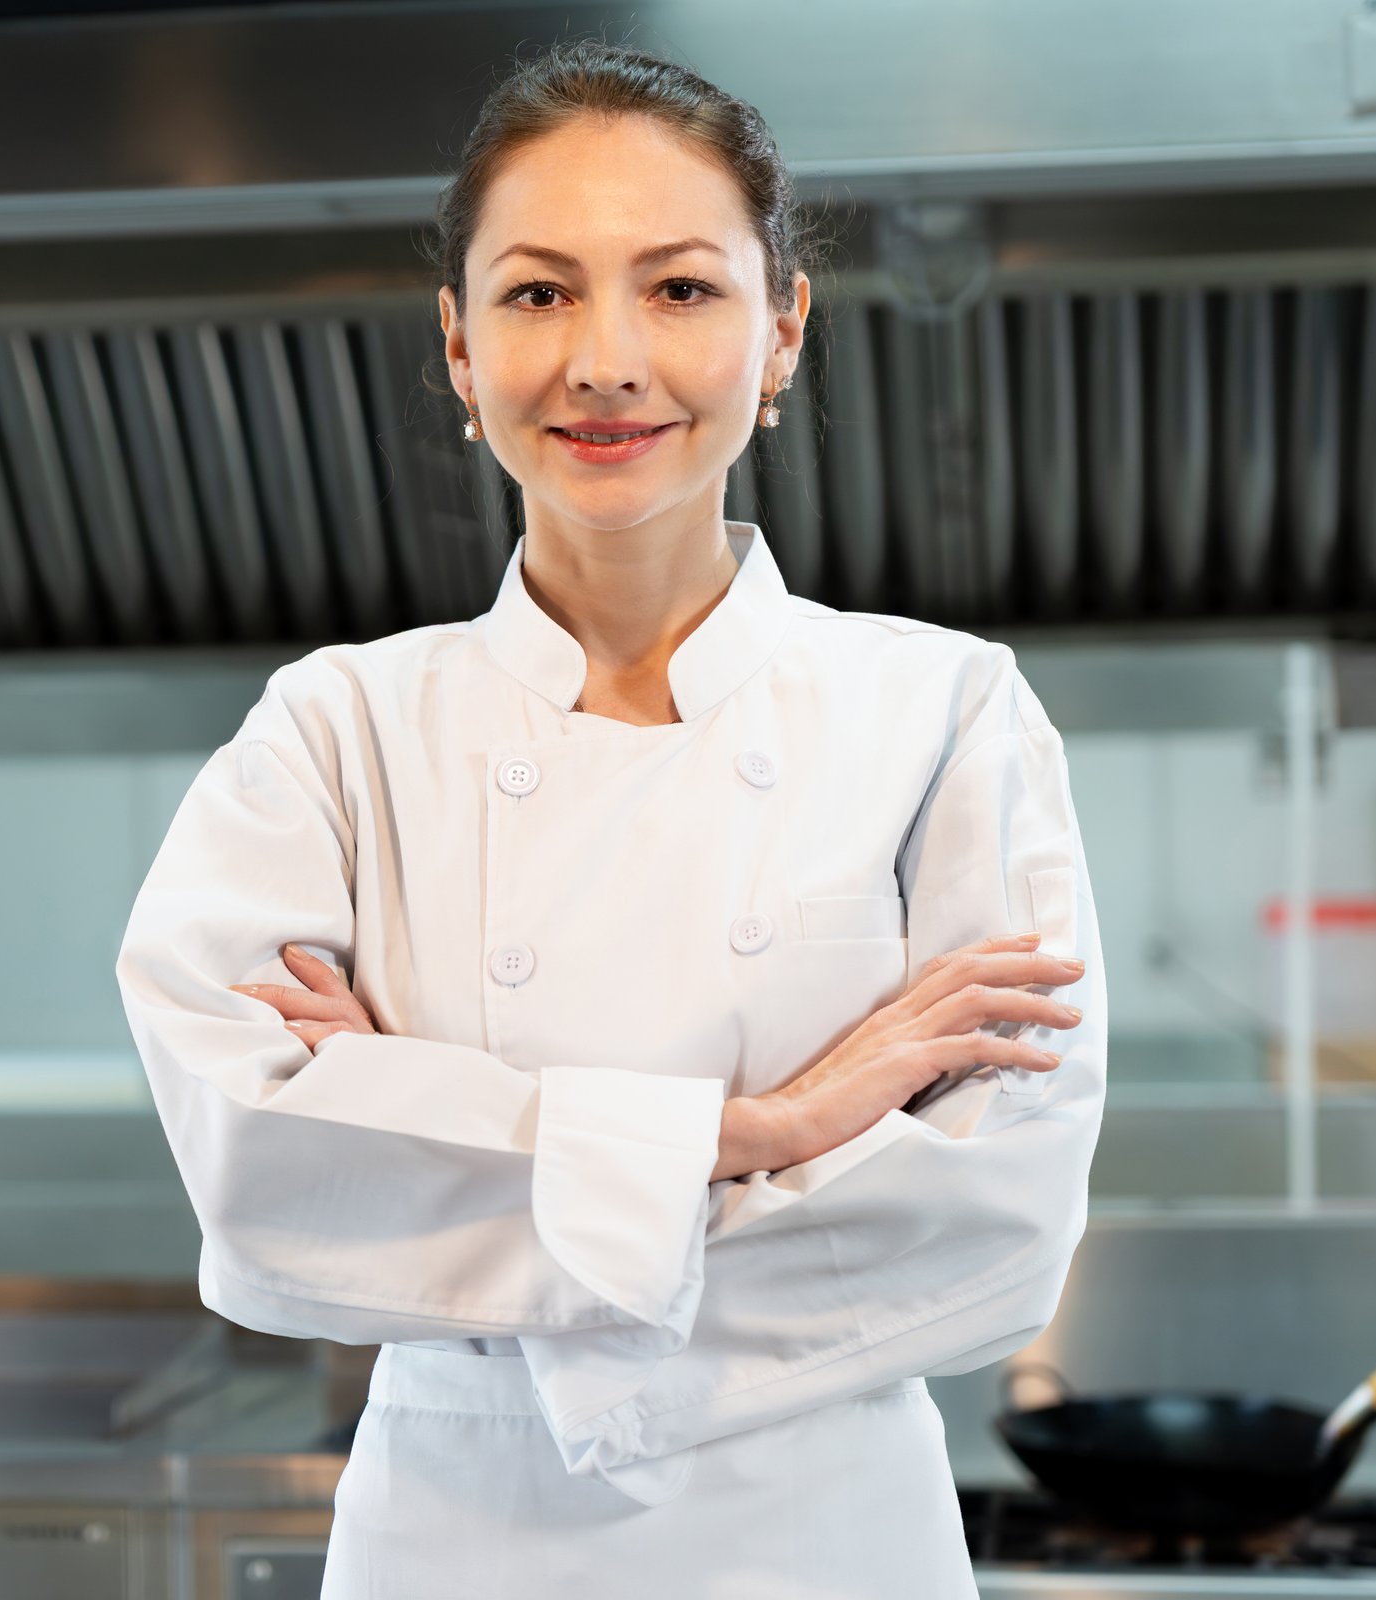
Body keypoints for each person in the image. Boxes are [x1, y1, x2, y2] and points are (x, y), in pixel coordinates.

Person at [115, 38, 1104, 1599]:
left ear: (782, 330)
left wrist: (435, 1143)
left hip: (827, 1539)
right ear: (456, 345)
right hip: (457, 1538)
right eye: (538, 292)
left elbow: (991, 1234)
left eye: (682, 289)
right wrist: (763, 1133)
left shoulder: (945, 714)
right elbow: (265, 1188)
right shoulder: (340, 730)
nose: (606, 358)